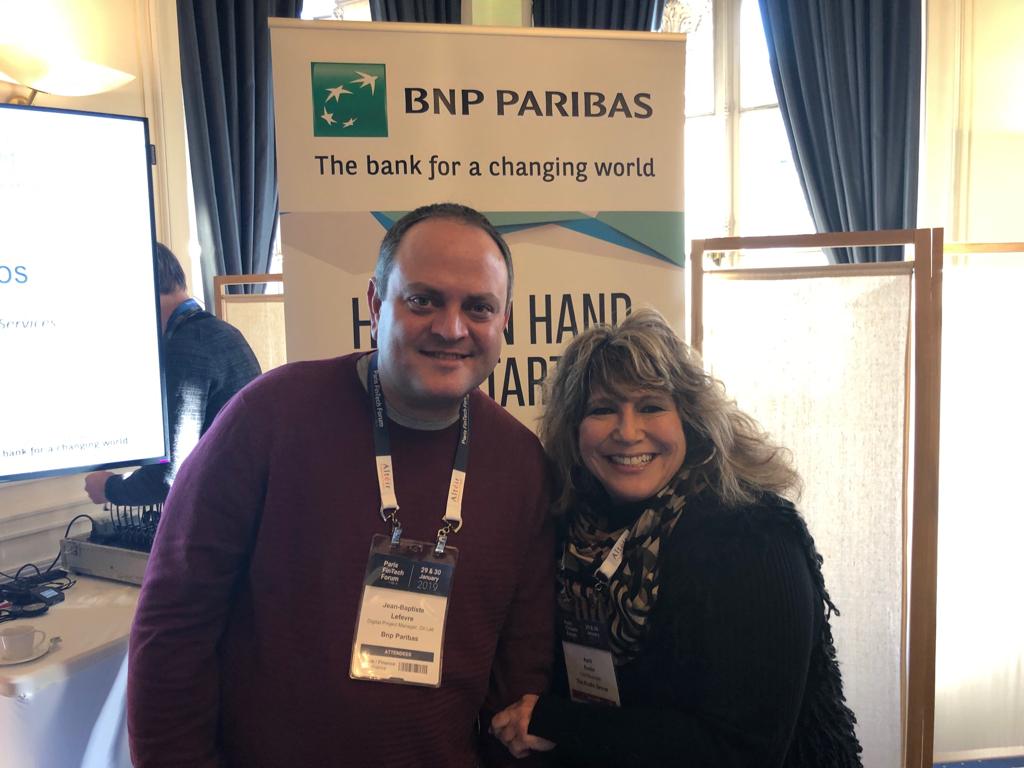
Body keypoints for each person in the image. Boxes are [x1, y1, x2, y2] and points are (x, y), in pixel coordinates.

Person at [127, 203, 555, 767]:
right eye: (423, 300)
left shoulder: (521, 464)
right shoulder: (268, 419)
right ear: (376, 304)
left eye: (478, 307)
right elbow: (174, 626)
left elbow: (522, 668)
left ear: (503, 320)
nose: (451, 328)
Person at [491, 308, 863, 767]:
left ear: (690, 417)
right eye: (603, 409)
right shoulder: (574, 527)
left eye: (650, 406)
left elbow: (741, 752)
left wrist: (560, 723)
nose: (628, 432)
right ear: (574, 429)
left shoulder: (754, 534)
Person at [84, 243, 261, 506]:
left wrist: (109, 487)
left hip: (218, 515)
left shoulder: (186, 347)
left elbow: (172, 475)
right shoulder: (224, 333)